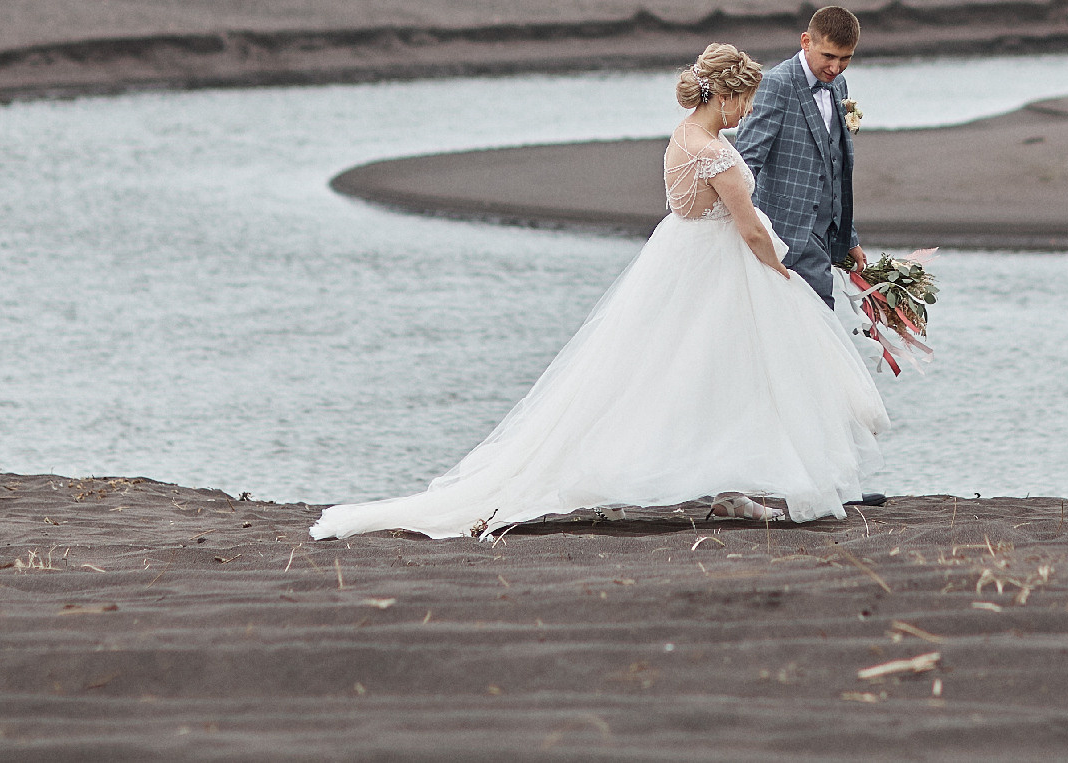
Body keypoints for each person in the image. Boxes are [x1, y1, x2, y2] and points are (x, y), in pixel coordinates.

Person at [308, 42, 888, 541]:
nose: (749, 110)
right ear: (724, 96)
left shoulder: (683, 138)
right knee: (727, 371)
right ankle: (691, 479)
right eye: (744, 100)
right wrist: (779, 271)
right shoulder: (718, 153)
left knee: (661, 372)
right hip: (718, 268)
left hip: (675, 260)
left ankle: (718, 485)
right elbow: (750, 227)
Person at [731, 6, 862, 306]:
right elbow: (746, 164)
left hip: (825, 236)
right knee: (819, 327)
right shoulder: (775, 84)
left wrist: (848, 236)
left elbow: (835, 166)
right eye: (828, 56)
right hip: (784, 235)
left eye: (846, 59)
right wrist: (754, 237)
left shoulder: (838, 84)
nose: (835, 68)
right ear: (806, 41)